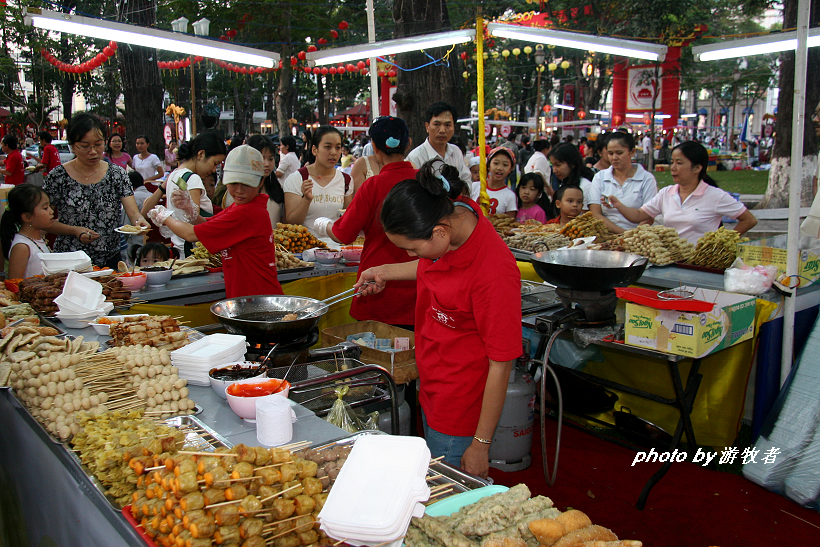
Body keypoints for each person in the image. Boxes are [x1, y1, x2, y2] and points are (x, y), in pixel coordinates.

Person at [352, 160, 521, 478]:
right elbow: (435, 265)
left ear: (440, 232)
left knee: (449, 497)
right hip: (431, 383)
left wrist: (480, 444)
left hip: (459, 408)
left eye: (411, 248)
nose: (410, 256)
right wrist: (385, 272)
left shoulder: (493, 274)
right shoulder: (450, 213)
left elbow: (501, 364)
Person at [313, 116, 418, 327]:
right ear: (408, 144)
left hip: (377, 283)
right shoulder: (424, 180)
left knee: (373, 352)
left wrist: (323, 224)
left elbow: (343, 234)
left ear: (374, 148)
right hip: (420, 286)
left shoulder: (373, 186)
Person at [147, 145, 283, 298]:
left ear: (261, 182)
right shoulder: (241, 206)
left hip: (257, 297)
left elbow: (191, 234)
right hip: (252, 296)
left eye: (247, 184)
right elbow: (205, 224)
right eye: (233, 183)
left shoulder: (248, 212)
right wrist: (191, 211)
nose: (239, 190)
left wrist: (164, 217)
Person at [43, 113, 150, 268]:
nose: (93, 151)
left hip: (109, 258)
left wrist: (139, 222)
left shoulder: (117, 174)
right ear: (72, 145)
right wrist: (75, 231)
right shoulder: (58, 176)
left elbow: (133, 212)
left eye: (98, 144)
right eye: (85, 146)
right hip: (70, 259)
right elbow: (46, 222)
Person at [604, 141, 758, 244]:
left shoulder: (715, 196)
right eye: (672, 162)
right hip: (673, 258)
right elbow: (638, 215)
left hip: (698, 262)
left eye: (679, 163)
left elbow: (749, 220)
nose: (673, 167)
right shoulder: (666, 193)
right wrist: (618, 204)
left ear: (697, 168)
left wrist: (723, 242)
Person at [141, 132, 226, 257]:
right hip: (195, 251)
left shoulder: (175, 174)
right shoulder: (193, 178)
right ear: (201, 154)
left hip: (178, 247)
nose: (214, 170)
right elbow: (193, 220)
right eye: (215, 163)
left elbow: (144, 212)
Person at [283, 126, 352, 244]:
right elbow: (292, 222)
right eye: (328, 147)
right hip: (305, 249)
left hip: (337, 249)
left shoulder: (346, 180)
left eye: (338, 147)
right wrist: (306, 199)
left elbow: (348, 220)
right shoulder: (297, 179)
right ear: (314, 150)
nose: (334, 153)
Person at [588, 132, 658, 234]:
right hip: (607, 236)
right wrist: (622, 234)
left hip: (638, 238)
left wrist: (633, 236)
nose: (614, 158)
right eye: (610, 153)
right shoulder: (600, 177)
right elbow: (595, 213)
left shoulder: (646, 179)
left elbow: (649, 216)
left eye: (619, 153)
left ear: (632, 152)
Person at [406, 102, 471, 186]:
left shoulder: (456, 151)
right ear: (427, 126)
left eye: (447, 125)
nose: (442, 130)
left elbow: (466, 182)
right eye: (437, 124)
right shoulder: (415, 158)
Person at [0, 185, 57, 278]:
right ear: (27, 217)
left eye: (49, 206)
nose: (51, 211)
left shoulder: (37, 238)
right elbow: (15, 284)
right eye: (45, 208)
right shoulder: (21, 247)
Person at [247, 134, 285, 228]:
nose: (267, 164)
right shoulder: (241, 190)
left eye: (270, 159)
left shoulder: (276, 187)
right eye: (261, 158)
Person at [471, 147, 517, 217]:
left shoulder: (510, 196)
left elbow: (510, 223)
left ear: (510, 169)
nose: (499, 168)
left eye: (505, 165)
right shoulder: (475, 186)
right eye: (496, 163)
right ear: (488, 165)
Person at [548, 143, 595, 209]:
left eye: (558, 165)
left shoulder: (585, 187)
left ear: (572, 164)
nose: (554, 170)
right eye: (553, 165)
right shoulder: (564, 181)